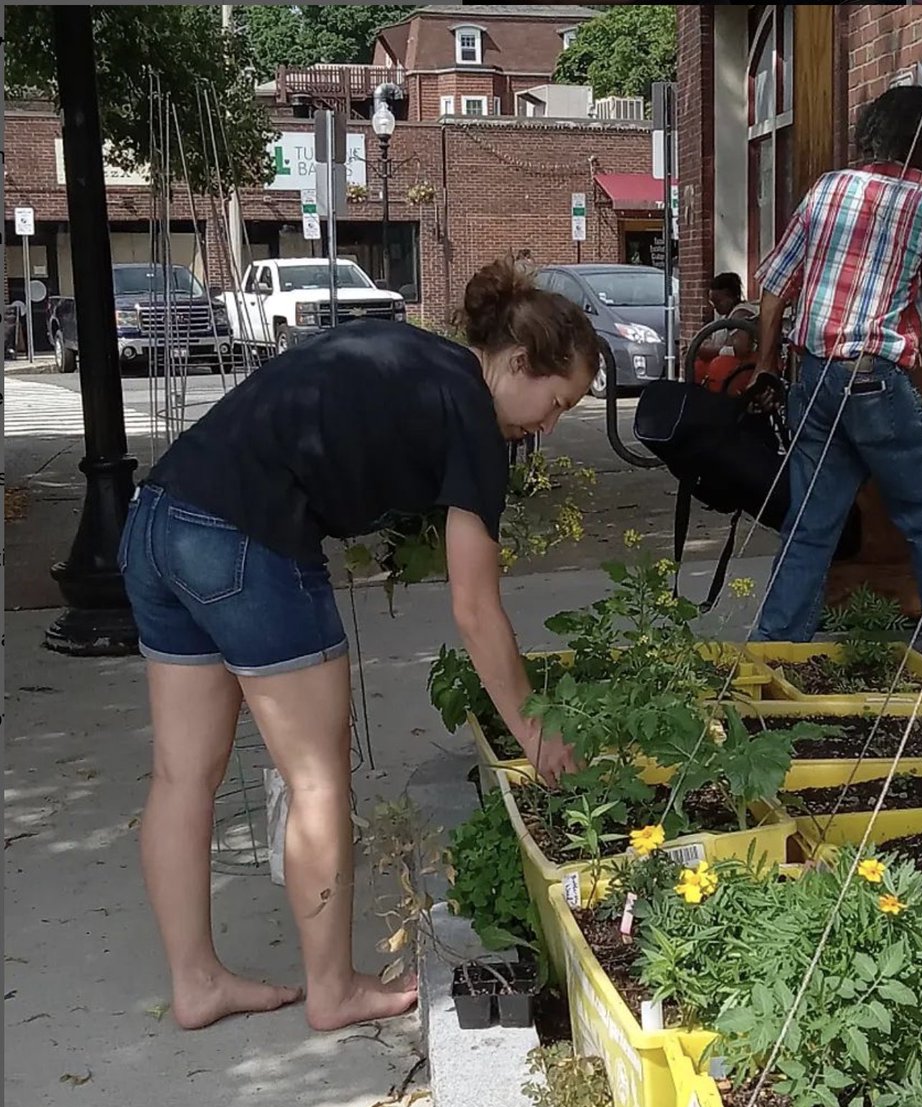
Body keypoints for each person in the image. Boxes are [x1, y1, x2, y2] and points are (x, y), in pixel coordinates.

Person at [118, 258, 601, 1032]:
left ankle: (197, 982)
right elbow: (476, 608)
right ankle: (332, 990)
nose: (550, 423)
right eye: (557, 402)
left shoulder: (411, 352)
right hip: (247, 540)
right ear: (518, 362)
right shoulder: (472, 418)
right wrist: (534, 731)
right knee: (315, 779)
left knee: (182, 776)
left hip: (160, 520)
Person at [749, 85, 922, 679]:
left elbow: (774, 288)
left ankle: (775, 649)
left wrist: (764, 365)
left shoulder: (829, 186)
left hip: (811, 373)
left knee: (811, 519)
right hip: (874, 379)